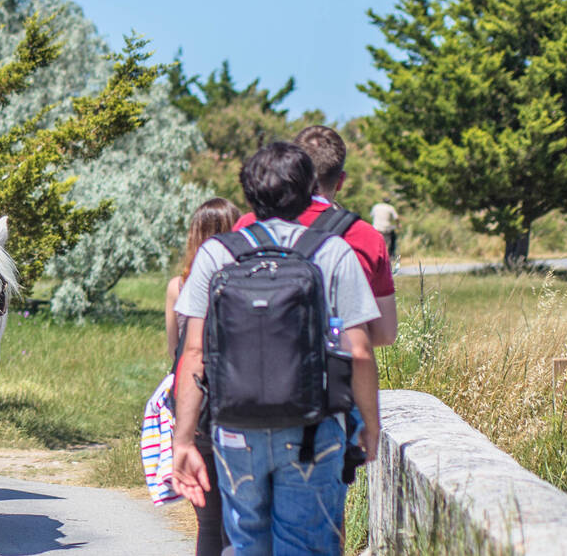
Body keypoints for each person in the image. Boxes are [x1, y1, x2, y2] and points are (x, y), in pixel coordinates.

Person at [170, 142, 380, 555]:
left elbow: (193, 354)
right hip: (312, 429)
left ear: (249, 194)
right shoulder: (332, 251)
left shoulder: (217, 253)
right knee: (306, 546)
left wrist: (183, 439)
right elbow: (359, 351)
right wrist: (370, 426)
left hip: (234, 429)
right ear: (309, 191)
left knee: (246, 543)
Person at [233, 126, 398, 348]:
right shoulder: (366, 237)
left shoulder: (249, 226)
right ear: (340, 181)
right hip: (330, 366)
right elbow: (385, 334)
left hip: (255, 360)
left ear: (292, 172)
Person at [162, 197, 241, 556]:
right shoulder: (244, 279)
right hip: (237, 400)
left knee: (207, 522)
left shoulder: (179, 286)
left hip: (194, 405)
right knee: (239, 518)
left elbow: (175, 350)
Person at [371, 201, 399, 268]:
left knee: (376, 244)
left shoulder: (376, 206)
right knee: (388, 243)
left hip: (376, 228)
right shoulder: (390, 207)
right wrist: (398, 224)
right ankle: (391, 255)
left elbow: (371, 215)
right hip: (386, 229)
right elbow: (396, 218)